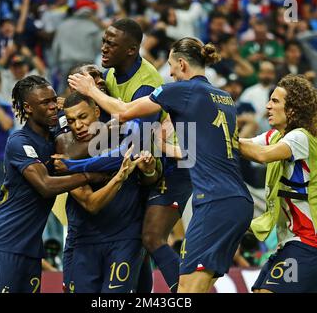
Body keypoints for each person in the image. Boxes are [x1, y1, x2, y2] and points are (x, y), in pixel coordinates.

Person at [69, 37, 254, 293]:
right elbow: (208, 151)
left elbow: (123, 110)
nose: (170, 73)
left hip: (214, 201)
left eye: (171, 66)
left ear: (181, 63)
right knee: (192, 288)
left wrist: (90, 89)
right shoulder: (225, 98)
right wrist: (166, 147)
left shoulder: (181, 90)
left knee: (184, 290)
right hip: (239, 201)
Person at [0, 75, 131, 293]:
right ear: (28, 108)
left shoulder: (54, 134)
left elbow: (79, 133)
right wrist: (89, 176)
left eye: (53, 101)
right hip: (2, 244)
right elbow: (45, 186)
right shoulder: (19, 142)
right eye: (44, 103)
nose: (52, 107)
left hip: (31, 250)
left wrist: (125, 121)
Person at [100, 18, 193, 293]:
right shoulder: (110, 74)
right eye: (104, 40)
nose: (103, 47)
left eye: (111, 43)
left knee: (153, 237)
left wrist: (78, 163)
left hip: (174, 164)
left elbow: (136, 140)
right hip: (151, 164)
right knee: (138, 238)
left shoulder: (148, 81)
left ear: (131, 50)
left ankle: (188, 293)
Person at [238, 74, 317, 293]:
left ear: (292, 109)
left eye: (275, 101)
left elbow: (261, 155)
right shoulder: (276, 135)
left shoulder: (302, 137)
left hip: (313, 242)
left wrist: (222, 136)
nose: (267, 106)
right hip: (292, 243)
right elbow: (245, 144)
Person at [59, 92, 160, 293]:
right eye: (71, 120)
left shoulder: (126, 133)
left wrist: (149, 169)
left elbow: (151, 179)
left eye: (82, 117)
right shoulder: (65, 148)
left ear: (97, 112)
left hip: (125, 237)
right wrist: (118, 177)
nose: (78, 125)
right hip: (86, 240)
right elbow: (91, 203)